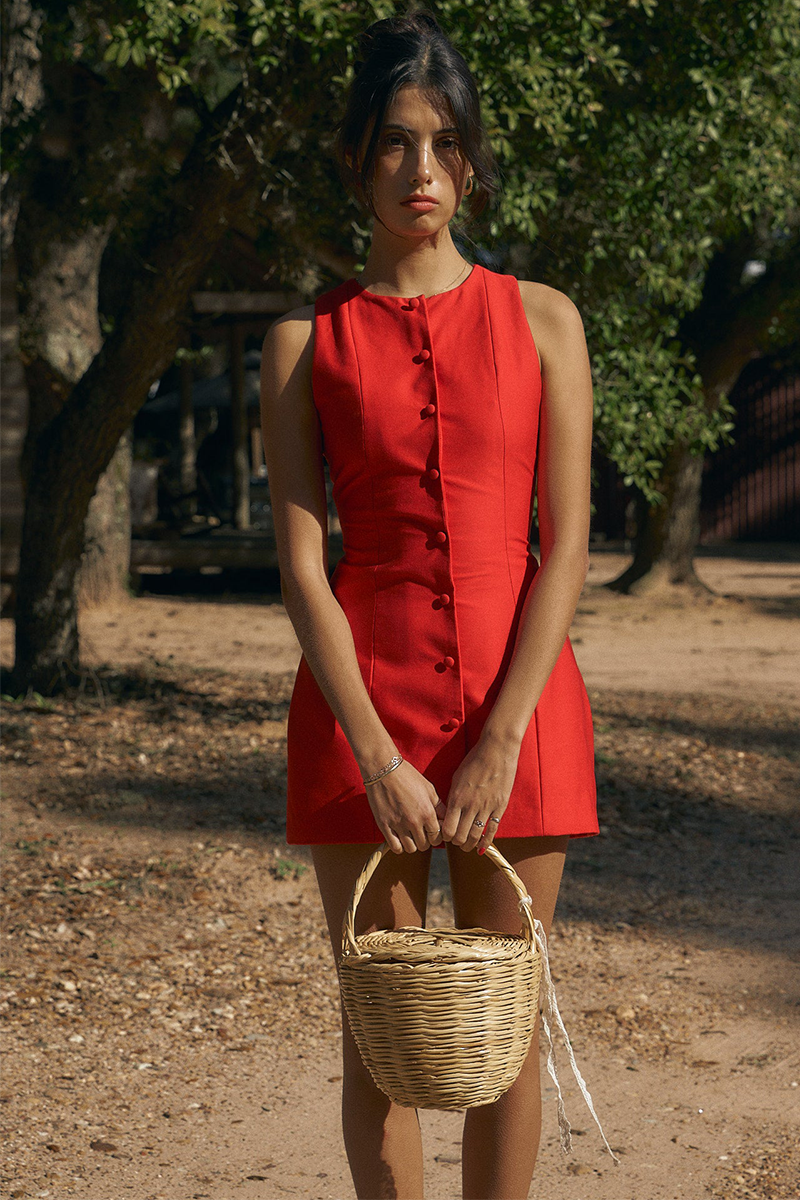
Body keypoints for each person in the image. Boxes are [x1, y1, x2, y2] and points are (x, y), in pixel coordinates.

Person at [259, 11, 598, 1199]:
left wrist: (501, 734)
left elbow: (566, 545)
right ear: (357, 156)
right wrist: (376, 751)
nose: (420, 172)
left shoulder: (545, 320)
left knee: (502, 1034)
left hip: (525, 705)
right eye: (395, 143)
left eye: (442, 143)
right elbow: (303, 564)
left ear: (469, 161)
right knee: (385, 1036)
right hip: (364, 714)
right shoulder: (305, 340)